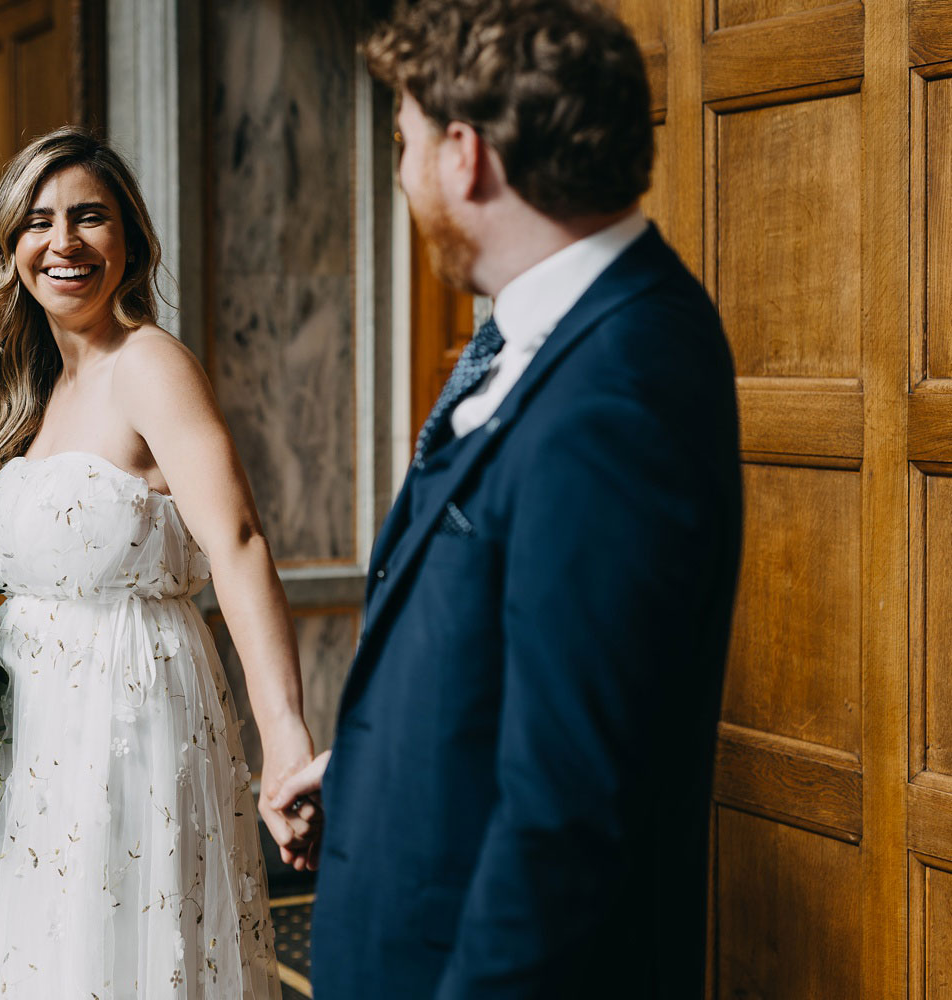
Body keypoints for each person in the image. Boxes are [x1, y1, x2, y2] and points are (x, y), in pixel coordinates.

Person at [270, 1, 743, 997]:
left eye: (401, 146)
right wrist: (364, 772)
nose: (402, 177)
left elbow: (567, 811)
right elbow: (506, 656)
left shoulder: (619, 389)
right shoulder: (571, 328)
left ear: (463, 154)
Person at [0, 126, 315, 999]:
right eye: (39, 221)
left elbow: (239, 543)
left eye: (88, 218)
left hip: (127, 721)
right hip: (30, 744)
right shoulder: (38, 388)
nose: (63, 242)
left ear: (127, 238)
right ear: (11, 246)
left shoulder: (150, 365)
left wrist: (283, 740)